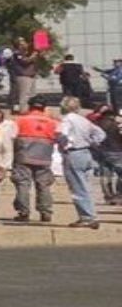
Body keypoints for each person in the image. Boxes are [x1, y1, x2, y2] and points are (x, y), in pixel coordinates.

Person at [58, 96, 105, 229]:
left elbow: (62, 134)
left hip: (73, 153)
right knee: (86, 185)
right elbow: (101, 134)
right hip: (86, 152)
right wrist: (92, 142)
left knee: (77, 187)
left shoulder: (66, 120)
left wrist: (64, 144)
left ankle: (87, 217)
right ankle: (91, 214)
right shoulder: (83, 120)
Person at [11, 95, 60, 223]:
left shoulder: (20, 120)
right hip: (44, 157)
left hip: (23, 156)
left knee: (23, 184)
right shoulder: (53, 122)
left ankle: (23, 212)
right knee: (43, 185)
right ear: (44, 108)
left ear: (29, 106)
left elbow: (11, 136)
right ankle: (45, 212)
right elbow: (59, 137)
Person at [93, 106, 122, 205]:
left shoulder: (97, 124)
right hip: (117, 151)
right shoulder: (116, 125)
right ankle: (119, 195)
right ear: (112, 115)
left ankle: (108, 197)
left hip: (102, 152)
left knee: (105, 175)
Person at [9, 37, 40, 113]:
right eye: (22, 42)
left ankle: (30, 109)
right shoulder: (17, 53)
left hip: (31, 75)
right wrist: (33, 56)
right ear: (18, 45)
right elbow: (24, 62)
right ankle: (23, 110)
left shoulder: (26, 53)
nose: (25, 44)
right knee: (24, 94)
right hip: (23, 75)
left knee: (31, 94)